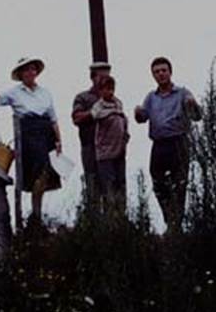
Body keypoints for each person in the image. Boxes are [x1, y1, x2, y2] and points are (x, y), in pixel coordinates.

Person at [0, 56, 63, 225]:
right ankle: (33, 215)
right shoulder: (15, 92)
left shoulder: (45, 93)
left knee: (47, 172)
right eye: (26, 69)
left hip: (46, 133)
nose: (30, 72)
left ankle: (37, 212)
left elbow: (53, 119)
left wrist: (59, 140)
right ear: (21, 74)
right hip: (29, 132)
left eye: (33, 69)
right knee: (36, 170)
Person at [135, 57, 202, 232]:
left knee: (179, 183)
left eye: (163, 70)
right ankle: (170, 220)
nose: (161, 74)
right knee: (158, 183)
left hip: (178, 142)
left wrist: (192, 105)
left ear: (170, 72)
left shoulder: (182, 93)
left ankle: (177, 224)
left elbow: (197, 116)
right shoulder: (151, 97)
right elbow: (142, 118)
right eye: (156, 72)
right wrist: (138, 114)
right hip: (159, 145)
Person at [71, 61, 112, 204]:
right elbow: (76, 118)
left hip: (111, 150)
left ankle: (113, 223)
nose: (105, 81)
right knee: (93, 186)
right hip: (91, 147)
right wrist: (92, 113)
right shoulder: (83, 97)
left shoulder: (113, 99)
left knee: (112, 188)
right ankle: (94, 222)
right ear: (93, 78)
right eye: (101, 77)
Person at [90, 75, 130, 213]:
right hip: (105, 152)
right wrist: (111, 112)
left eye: (112, 89)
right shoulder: (99, 106)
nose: (110, 92)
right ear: (100, 91)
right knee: (108, 185)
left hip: (120, 150)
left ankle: (121, 216)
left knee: (121, 184)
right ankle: (110, 218)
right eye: (107, 89)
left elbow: (123, 118)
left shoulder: (118, 103)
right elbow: (95, 115)